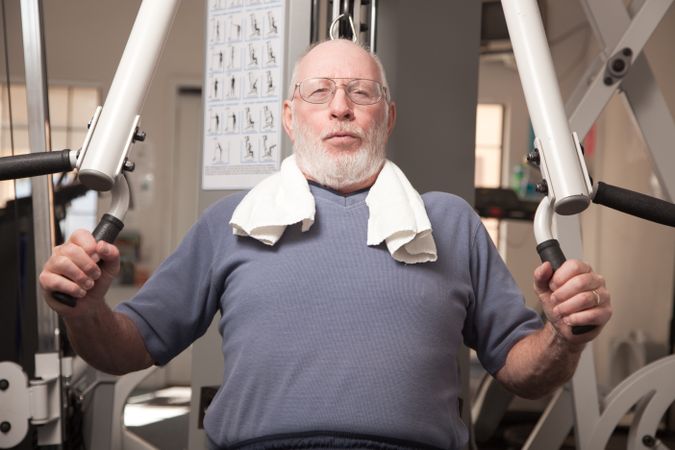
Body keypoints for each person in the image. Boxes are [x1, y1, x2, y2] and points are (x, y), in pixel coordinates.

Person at [39, 39, 611, 450]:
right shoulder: (231, 222)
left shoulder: (451, 223)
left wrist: (562, 335)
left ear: (387, 116)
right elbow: (127, 349)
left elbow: (522, 371)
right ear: (291, 117)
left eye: (360, 92)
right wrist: (86, 312)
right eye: (319, 93)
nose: (340, 107)